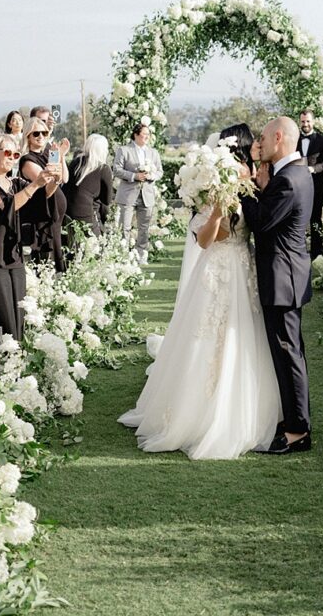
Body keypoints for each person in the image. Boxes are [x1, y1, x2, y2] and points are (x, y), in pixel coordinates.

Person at [119, 124, 281, 459]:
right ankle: (198, 413)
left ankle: (242, 406)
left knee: (244, 337)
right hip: (217, 270)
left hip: (243, 268)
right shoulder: (218, 180)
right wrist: (221, 207)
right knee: (205, 336)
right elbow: (207, 239)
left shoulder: (254, 178)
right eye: (253, 144)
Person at [240, 116, 313, 454]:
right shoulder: (295, 172)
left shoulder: (289, 179)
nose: (261, 144)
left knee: (288, 354)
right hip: (286, 274)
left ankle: (298, 430)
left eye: (265, 138)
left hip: (282, 277)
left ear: (279, 137)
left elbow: (260, 221)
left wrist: (244, 186)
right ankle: (292, 420)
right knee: (290, 352)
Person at [0, 132, 58, 339]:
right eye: (7, 152)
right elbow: (6, 208)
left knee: (18, 308)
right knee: (0, 311)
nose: (12, 157)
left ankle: (16, 353)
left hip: (13, 253)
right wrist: (36, 184)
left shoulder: (14, 182)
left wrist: (53, 179)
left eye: (16, 154)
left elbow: (39, 199)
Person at [19, 117, 70, 270]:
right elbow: (48, 180)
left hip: (56, 214)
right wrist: (56, 156)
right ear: (28, 136)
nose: (41, 136)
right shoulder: (27, 160)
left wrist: (61, 156)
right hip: (44, 213)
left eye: (44, 132)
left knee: (59, 250)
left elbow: (64, 178)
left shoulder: (48, 154)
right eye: (36, 133)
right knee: (49, 255)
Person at [113, 123, 162, 265]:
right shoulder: (124, 150)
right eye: (144, 134)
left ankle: (142, 255)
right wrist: (134, 176)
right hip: (128, 194)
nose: (146, 137)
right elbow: (116, 169)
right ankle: (123, 256)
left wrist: (152, 176)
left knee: (144, 228)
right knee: (125, 227)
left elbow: (159, 171)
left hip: (147, 194)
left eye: (148, 134)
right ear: (136, 134)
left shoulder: (154, 152)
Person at [297, 110, 323, 257]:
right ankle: (299, 250)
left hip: (316, 184)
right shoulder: (294, 139)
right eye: (303, 121)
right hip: (298, 184)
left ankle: (317, 252)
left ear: (313, 121)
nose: (305, 124)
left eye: (308, 121)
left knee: (315, 218)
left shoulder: (322, 140)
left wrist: (314, 169)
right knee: (298, 217)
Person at [64, 133, 114, 236]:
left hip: (69, 213)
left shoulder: (76, 162)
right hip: (88, 216)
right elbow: (107, 200)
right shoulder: (103, 169)